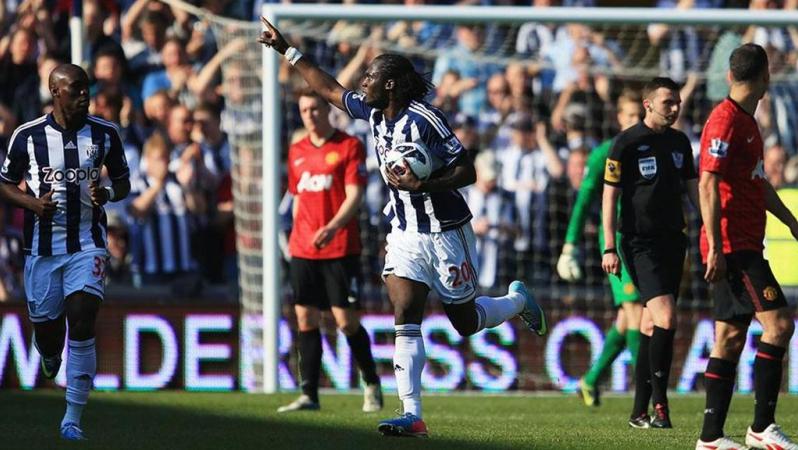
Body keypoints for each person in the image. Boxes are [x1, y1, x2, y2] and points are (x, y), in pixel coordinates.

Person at [258, 18, 546, 438]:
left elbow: (466, 168)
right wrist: (287, 50)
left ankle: (517, 302)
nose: (364, 81)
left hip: (447, 232)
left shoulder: (426, 119)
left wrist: (423, 183)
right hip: (406, 233)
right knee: (404, 313)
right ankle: (412, 414)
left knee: (464, 322)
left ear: (391, 84)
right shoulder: (372, 112)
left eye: (371, 75)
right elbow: (329, 89)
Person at [0, 64, 130, 440]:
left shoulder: (105, 133)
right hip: (42, 248)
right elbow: (4, 183)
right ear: (56, 92)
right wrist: (31, 204)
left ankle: (72, 417)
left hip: (88, 242)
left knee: (83, 315)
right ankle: (48, 350)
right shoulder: (27, 136)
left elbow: (123, 181)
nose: (85, 96)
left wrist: (106, 194)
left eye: (87, 89)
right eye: (76, 90)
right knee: (50, 332)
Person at [695, 43, 798, 450]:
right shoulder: (725, 122)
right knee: (779, 326)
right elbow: (707, 183)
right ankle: (761, 426)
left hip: (743, 241)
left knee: (730, 337)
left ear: (730, 75)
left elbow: (757, 182)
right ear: (766, 78)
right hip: (734, 247)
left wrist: (790, 222)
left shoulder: (747, 122)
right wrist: (717, 248)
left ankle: (710, 438)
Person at [277, 89, 383, 414]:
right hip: (304, 249)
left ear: (327, 110)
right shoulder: (297, 151)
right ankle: (309, 393)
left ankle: (371, 381)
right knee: (305, 317)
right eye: (304, 110)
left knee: (345, 320)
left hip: (339, 247)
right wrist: (296, 238)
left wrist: (334, 226)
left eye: (314, 108)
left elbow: (355, 195)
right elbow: (297, 200)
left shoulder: (349, 146)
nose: (309, 115)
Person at [601, 77, 699, 430]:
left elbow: (693, 188)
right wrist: (609, 246)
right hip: (639, 243)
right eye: (667, 102)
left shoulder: (679, 142)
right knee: (667, 317)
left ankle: (638, 411)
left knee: (650, 322)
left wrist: (707, 227)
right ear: (648, 105)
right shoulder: (626, 144)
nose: (674, 108)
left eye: (677, 102)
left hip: (674, 241)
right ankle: (661, 403)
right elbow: (609, 197)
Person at [557, 91, 647, 413]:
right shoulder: (603, 155)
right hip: (618, 244)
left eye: (639, 115)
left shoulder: (654, 152)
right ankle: (646, 396)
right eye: (629, 116)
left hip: (647, 243)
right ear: (618, 118)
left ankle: (591, 380)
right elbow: (583, 203)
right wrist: (569, 246)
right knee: (637, 310)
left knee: (627, 317)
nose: (634, 121)